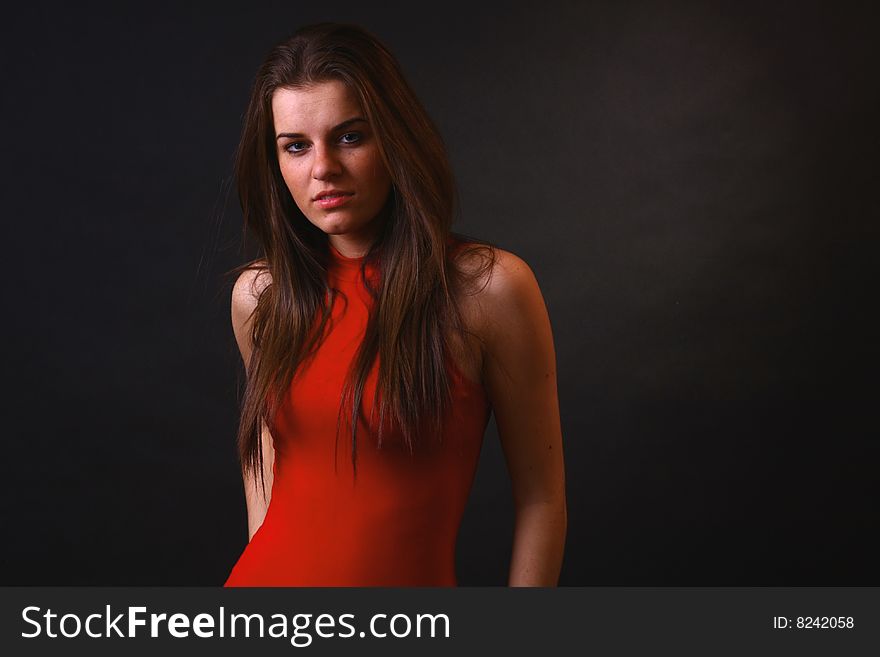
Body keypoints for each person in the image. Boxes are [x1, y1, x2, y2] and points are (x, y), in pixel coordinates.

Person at [223, 22, 566, 587]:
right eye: (296, 146)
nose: (323, 168)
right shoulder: (260, 296)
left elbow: (542, 501)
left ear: (395, 137)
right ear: (275, 160)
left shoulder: (488, 289)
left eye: (351, 136)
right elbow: (266, 470)